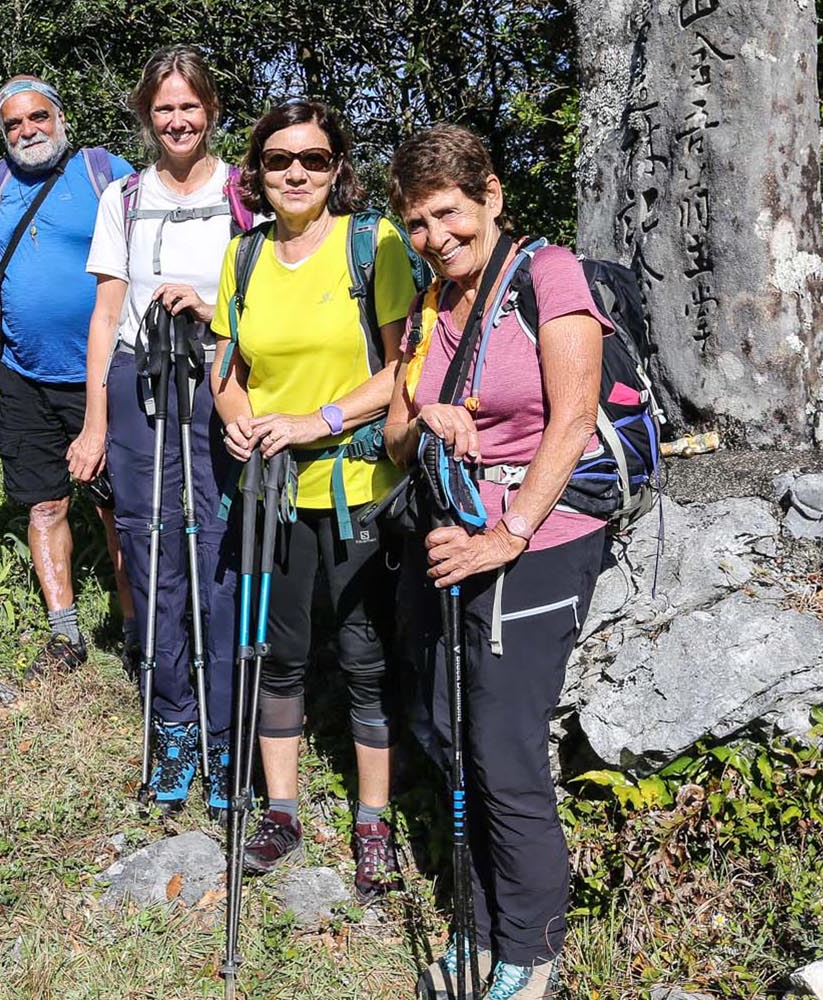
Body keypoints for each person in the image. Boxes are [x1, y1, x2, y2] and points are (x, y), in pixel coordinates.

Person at [384, 124, 612, 1000]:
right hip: (452, 538)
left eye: (448, 214)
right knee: (446, 732)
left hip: (537, 538)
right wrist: (428, 416)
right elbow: (399, 439)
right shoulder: (429, 305)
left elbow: (574, 417)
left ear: (491, 198)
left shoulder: (548, 275)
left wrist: (507, 534)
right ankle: (475, 922)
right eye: (417, 223)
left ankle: (530, 949)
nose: (436, 237)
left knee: (503, 745)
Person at [211, 99, 417, 901]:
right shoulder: (245, 256)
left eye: (314, 159)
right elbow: (226, 370)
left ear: (337, 169)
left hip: (359, 483)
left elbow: (404, 370)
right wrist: (239, 424)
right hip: (274, 491)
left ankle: (373, 821)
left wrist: (315, 421)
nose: (296, 173)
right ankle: (283, 811)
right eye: (278, 160)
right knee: (278, 654)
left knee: (366, 659)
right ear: (257, 174)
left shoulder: (377, 244)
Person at [72, 47, 252, 816]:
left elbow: (269, 296)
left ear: (210, 110)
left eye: (190, 106)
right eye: (163, 109)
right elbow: (107, 312)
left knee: (218, 548)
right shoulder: (124, 197)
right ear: (147, 118)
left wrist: (216, 316)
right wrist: (93, 423)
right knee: (149, 550)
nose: (178, 120)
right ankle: (174, 722)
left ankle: (223, 729)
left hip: (220, 381)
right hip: (139, 382)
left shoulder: (246, 193)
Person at [0, 75, 137, 673]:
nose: (27, 131)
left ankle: (135, 631)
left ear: (59, 117)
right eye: (14, 124)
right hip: (23, 376)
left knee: (116, 508)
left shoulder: (104, 174)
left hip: (102, 376)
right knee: (44, 506)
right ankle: (66, 635)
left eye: (37, 117)